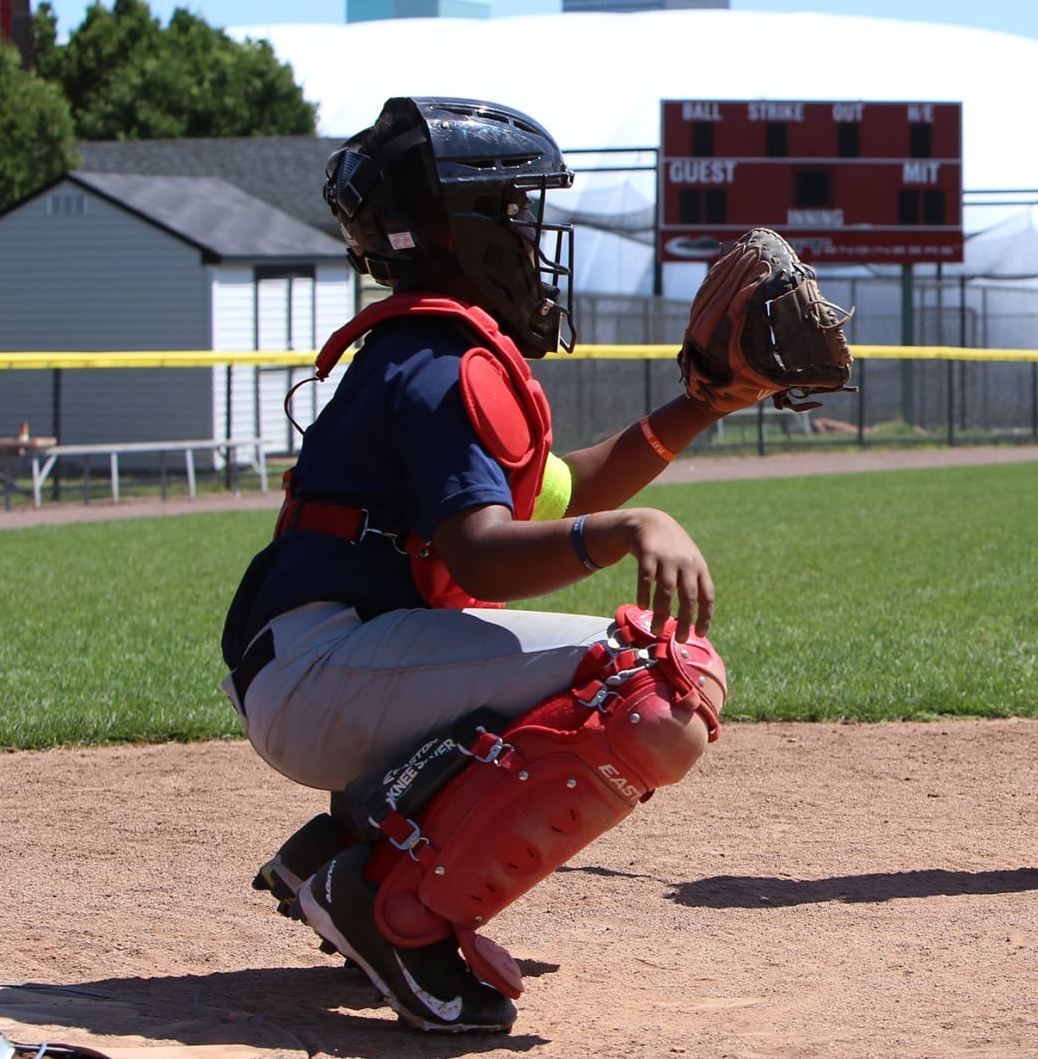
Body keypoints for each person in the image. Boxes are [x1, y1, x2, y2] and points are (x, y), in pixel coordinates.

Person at [221, 97, 746, 1034]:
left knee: (603, 675)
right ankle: (396, 909)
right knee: (654, 683)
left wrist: (700, 404)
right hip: (328, 667)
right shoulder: (439, 362)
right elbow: (485, 560)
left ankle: (340, 851)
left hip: (320, 660)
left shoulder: (425, 349)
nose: (533, 236)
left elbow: (563, 491)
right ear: (461, 235)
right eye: (514, 212)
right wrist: (636, 528)